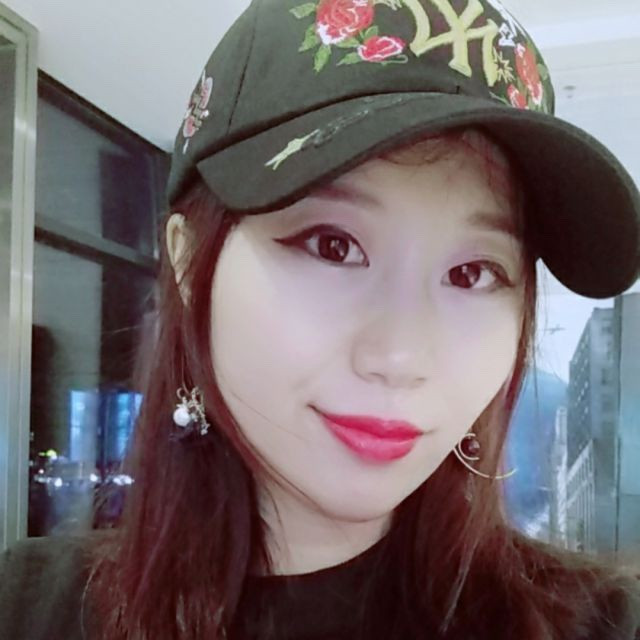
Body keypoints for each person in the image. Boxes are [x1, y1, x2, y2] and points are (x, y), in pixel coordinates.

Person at [1, 0, 640, 638]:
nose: (400, 358)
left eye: (473, 273)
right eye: (333, 245)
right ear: (190, 263)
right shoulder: (31, 609)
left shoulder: (598, 623)